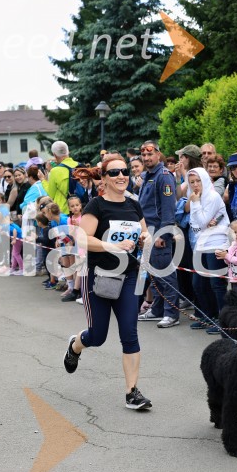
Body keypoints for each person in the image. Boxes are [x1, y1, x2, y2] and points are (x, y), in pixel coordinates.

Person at [63, 154, 153, 411]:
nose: (121, 176)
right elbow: (82, 239)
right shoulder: (96, 206)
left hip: (129, 276)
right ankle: (76, 345)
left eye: (124, 171)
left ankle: (132, 392)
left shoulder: (134, 205)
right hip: (99, 278)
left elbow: (143, 232)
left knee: (130, 333)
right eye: (114, 173)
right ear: (103, 179)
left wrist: (144, 237)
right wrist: (111, 245)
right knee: (98, 336)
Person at [137, 141, 181, 329]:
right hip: (147, 233)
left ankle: (172, 314)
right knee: (154, 274)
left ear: (158, 154)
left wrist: (164, 235)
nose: (146, 158)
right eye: (144, 155)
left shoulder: (164, 176)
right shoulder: (147, 175)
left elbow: (169, 208)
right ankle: (157, 310)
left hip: (159, 233)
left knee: (165, 274)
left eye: (150, 154)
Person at [186, 167, 230, 333]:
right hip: (201, 244)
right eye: (192, 182)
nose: (195, 185)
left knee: (216, 284)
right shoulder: (194, 197)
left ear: (204, 180)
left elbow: (202, 221)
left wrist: (196, 205)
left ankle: (223, 319)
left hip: (216, 243)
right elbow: (195, 223)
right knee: (198, 283)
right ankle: (208, 315)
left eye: (198, 181)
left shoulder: (211, 196)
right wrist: (201, 218)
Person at [43, 141, 78, 215]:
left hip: (63, 212)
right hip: (80, 209)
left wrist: (43, 180)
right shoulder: (80, 166)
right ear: (68, 151)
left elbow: (51, 194)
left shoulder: (55, 171)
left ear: (54, 155)